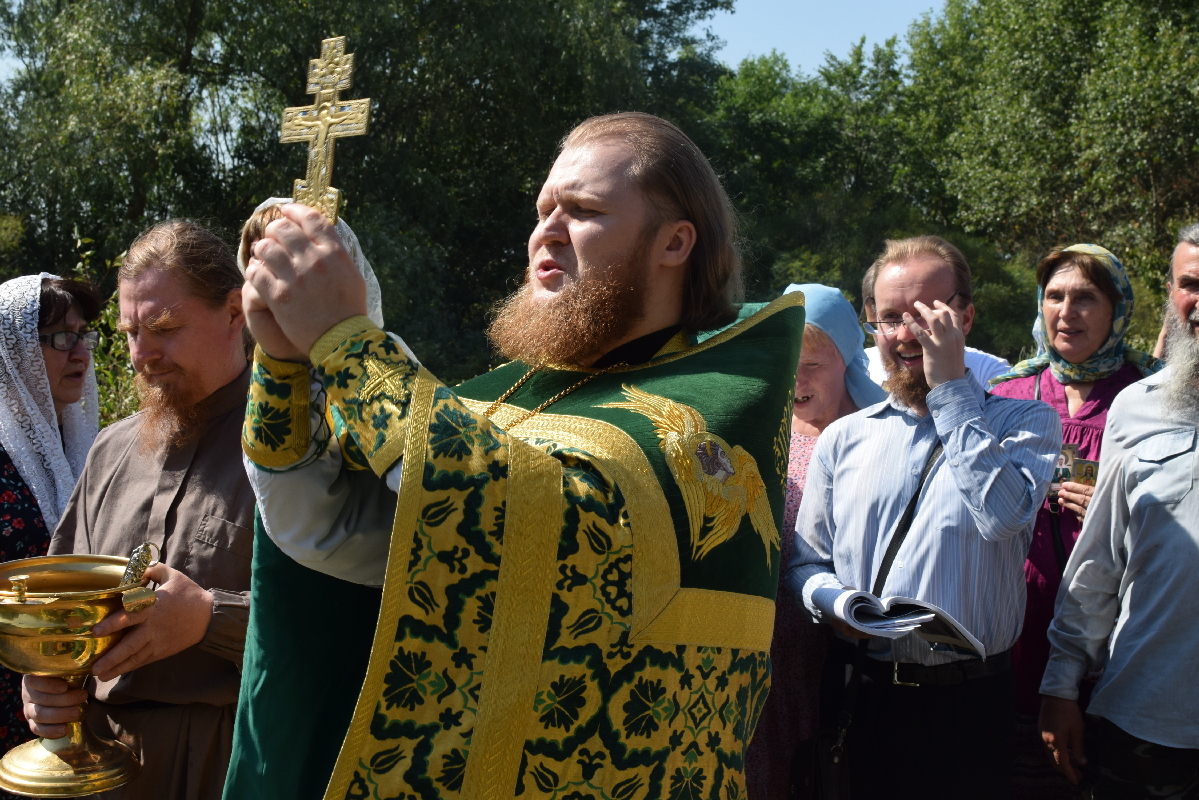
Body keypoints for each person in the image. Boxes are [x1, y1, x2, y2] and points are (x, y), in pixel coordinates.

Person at [227, 112, 804, 800]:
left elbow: (539, 530)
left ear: (675, 242)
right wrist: (286, 364)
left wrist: (349, 342)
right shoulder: (501, 399)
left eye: (583, 211)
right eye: (542, 211)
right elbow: (336, 533)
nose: (546, 232)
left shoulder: (716, 409)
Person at [788, 235, 1060, 800]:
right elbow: (806, 563)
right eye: (892, 317)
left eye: (927, 315)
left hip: (967, 708)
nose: (909, 335)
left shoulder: (1025, 421)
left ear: (965, 315)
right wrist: (837, 604)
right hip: (860, 695)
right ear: (870, 324)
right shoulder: (845, 438)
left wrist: (951, 390)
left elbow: (1004, 517)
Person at [21, 221, 255, 800]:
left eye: (165, 329)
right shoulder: (111, 448)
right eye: (129, 333)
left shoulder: (297, 450)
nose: (141, 355)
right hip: (101, 765)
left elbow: (351, 622)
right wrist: (43, 682)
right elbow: (59, 604)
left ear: (235, 312)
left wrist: (207, 617)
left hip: (233, 764)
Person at [988, 244, 1161, 796]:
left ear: (1118, 309)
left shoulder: (1153, 395)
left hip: (1116, 629)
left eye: (1086, 297)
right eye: (1055, 297)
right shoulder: (1006, 394)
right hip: (1015, 625)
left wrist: (1121, 512)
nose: (1067, 312)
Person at [1039, 225, 1199, 797]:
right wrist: (1060, 686)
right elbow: (1100, 561)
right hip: (1144, 721)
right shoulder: (1139, 408)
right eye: (1190, 284)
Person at [745, 284, 885, 800]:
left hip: (836, 656)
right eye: (788, 362)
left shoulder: (879, 435)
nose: (797, 379)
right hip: (763, 654)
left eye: (814, 364)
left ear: (847, 358)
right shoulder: (767, 430)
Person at [0, 275, 101, 763]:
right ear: (13, 351)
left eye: (85, 335)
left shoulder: (85, 447)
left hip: (77, 699)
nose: (80, 352)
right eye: (62, 337)